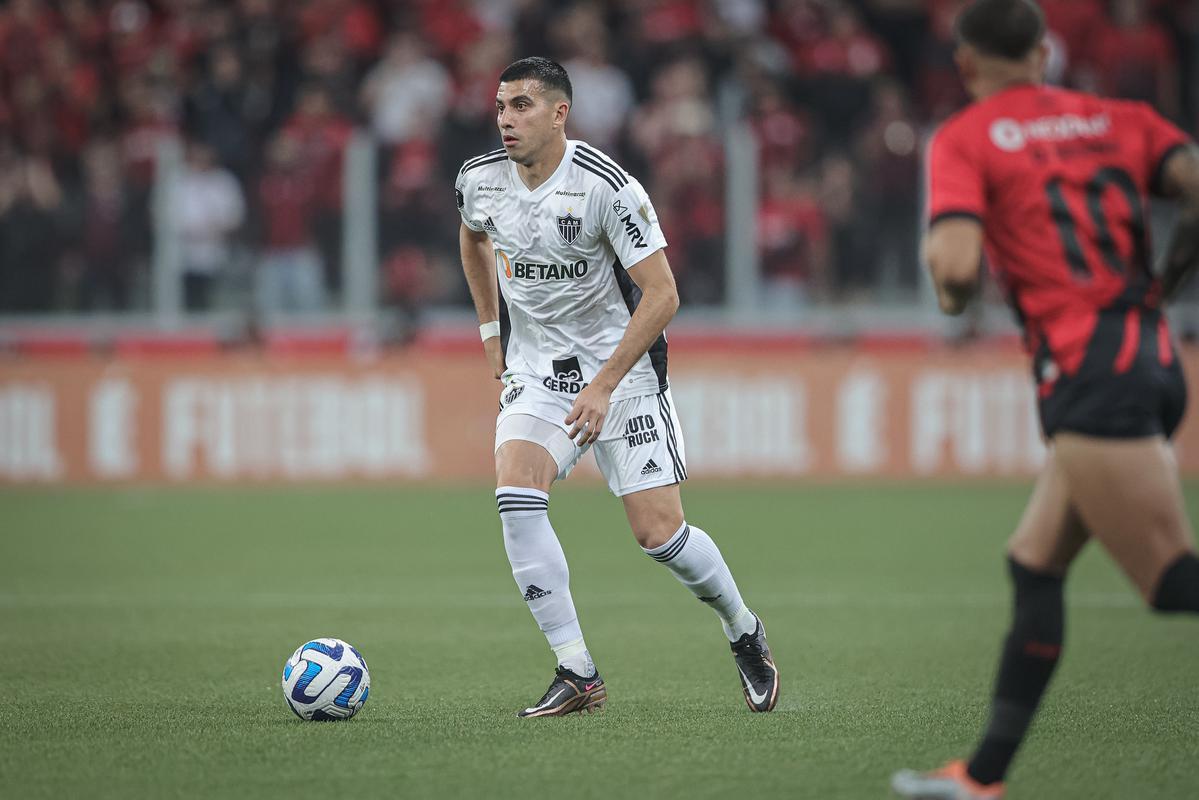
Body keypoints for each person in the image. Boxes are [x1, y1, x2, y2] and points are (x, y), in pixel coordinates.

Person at [892, 2, 1199, 798]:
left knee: (1170, 585)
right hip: (1146, 356)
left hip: (1088, 371)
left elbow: (956, 271)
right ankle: (980, 779)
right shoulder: (1117, 116)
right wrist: (1167, 279)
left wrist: (949, 289)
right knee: (1033, 566)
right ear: (1043, 51)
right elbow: (1194, 184)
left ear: (964, 64)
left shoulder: (965, 136)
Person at [455, 57, 779, 717]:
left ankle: (742, 629)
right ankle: (576, 671)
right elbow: (471, 239)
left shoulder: (607, 186)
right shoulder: (479, 180)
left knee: (658, 534)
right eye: (499, 107)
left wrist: (603, 386)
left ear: (558, 113)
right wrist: (492, 334)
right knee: (515, 494)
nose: (505, 120)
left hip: (622, 373)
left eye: (520, 106)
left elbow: (663, 296)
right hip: (540, 374)